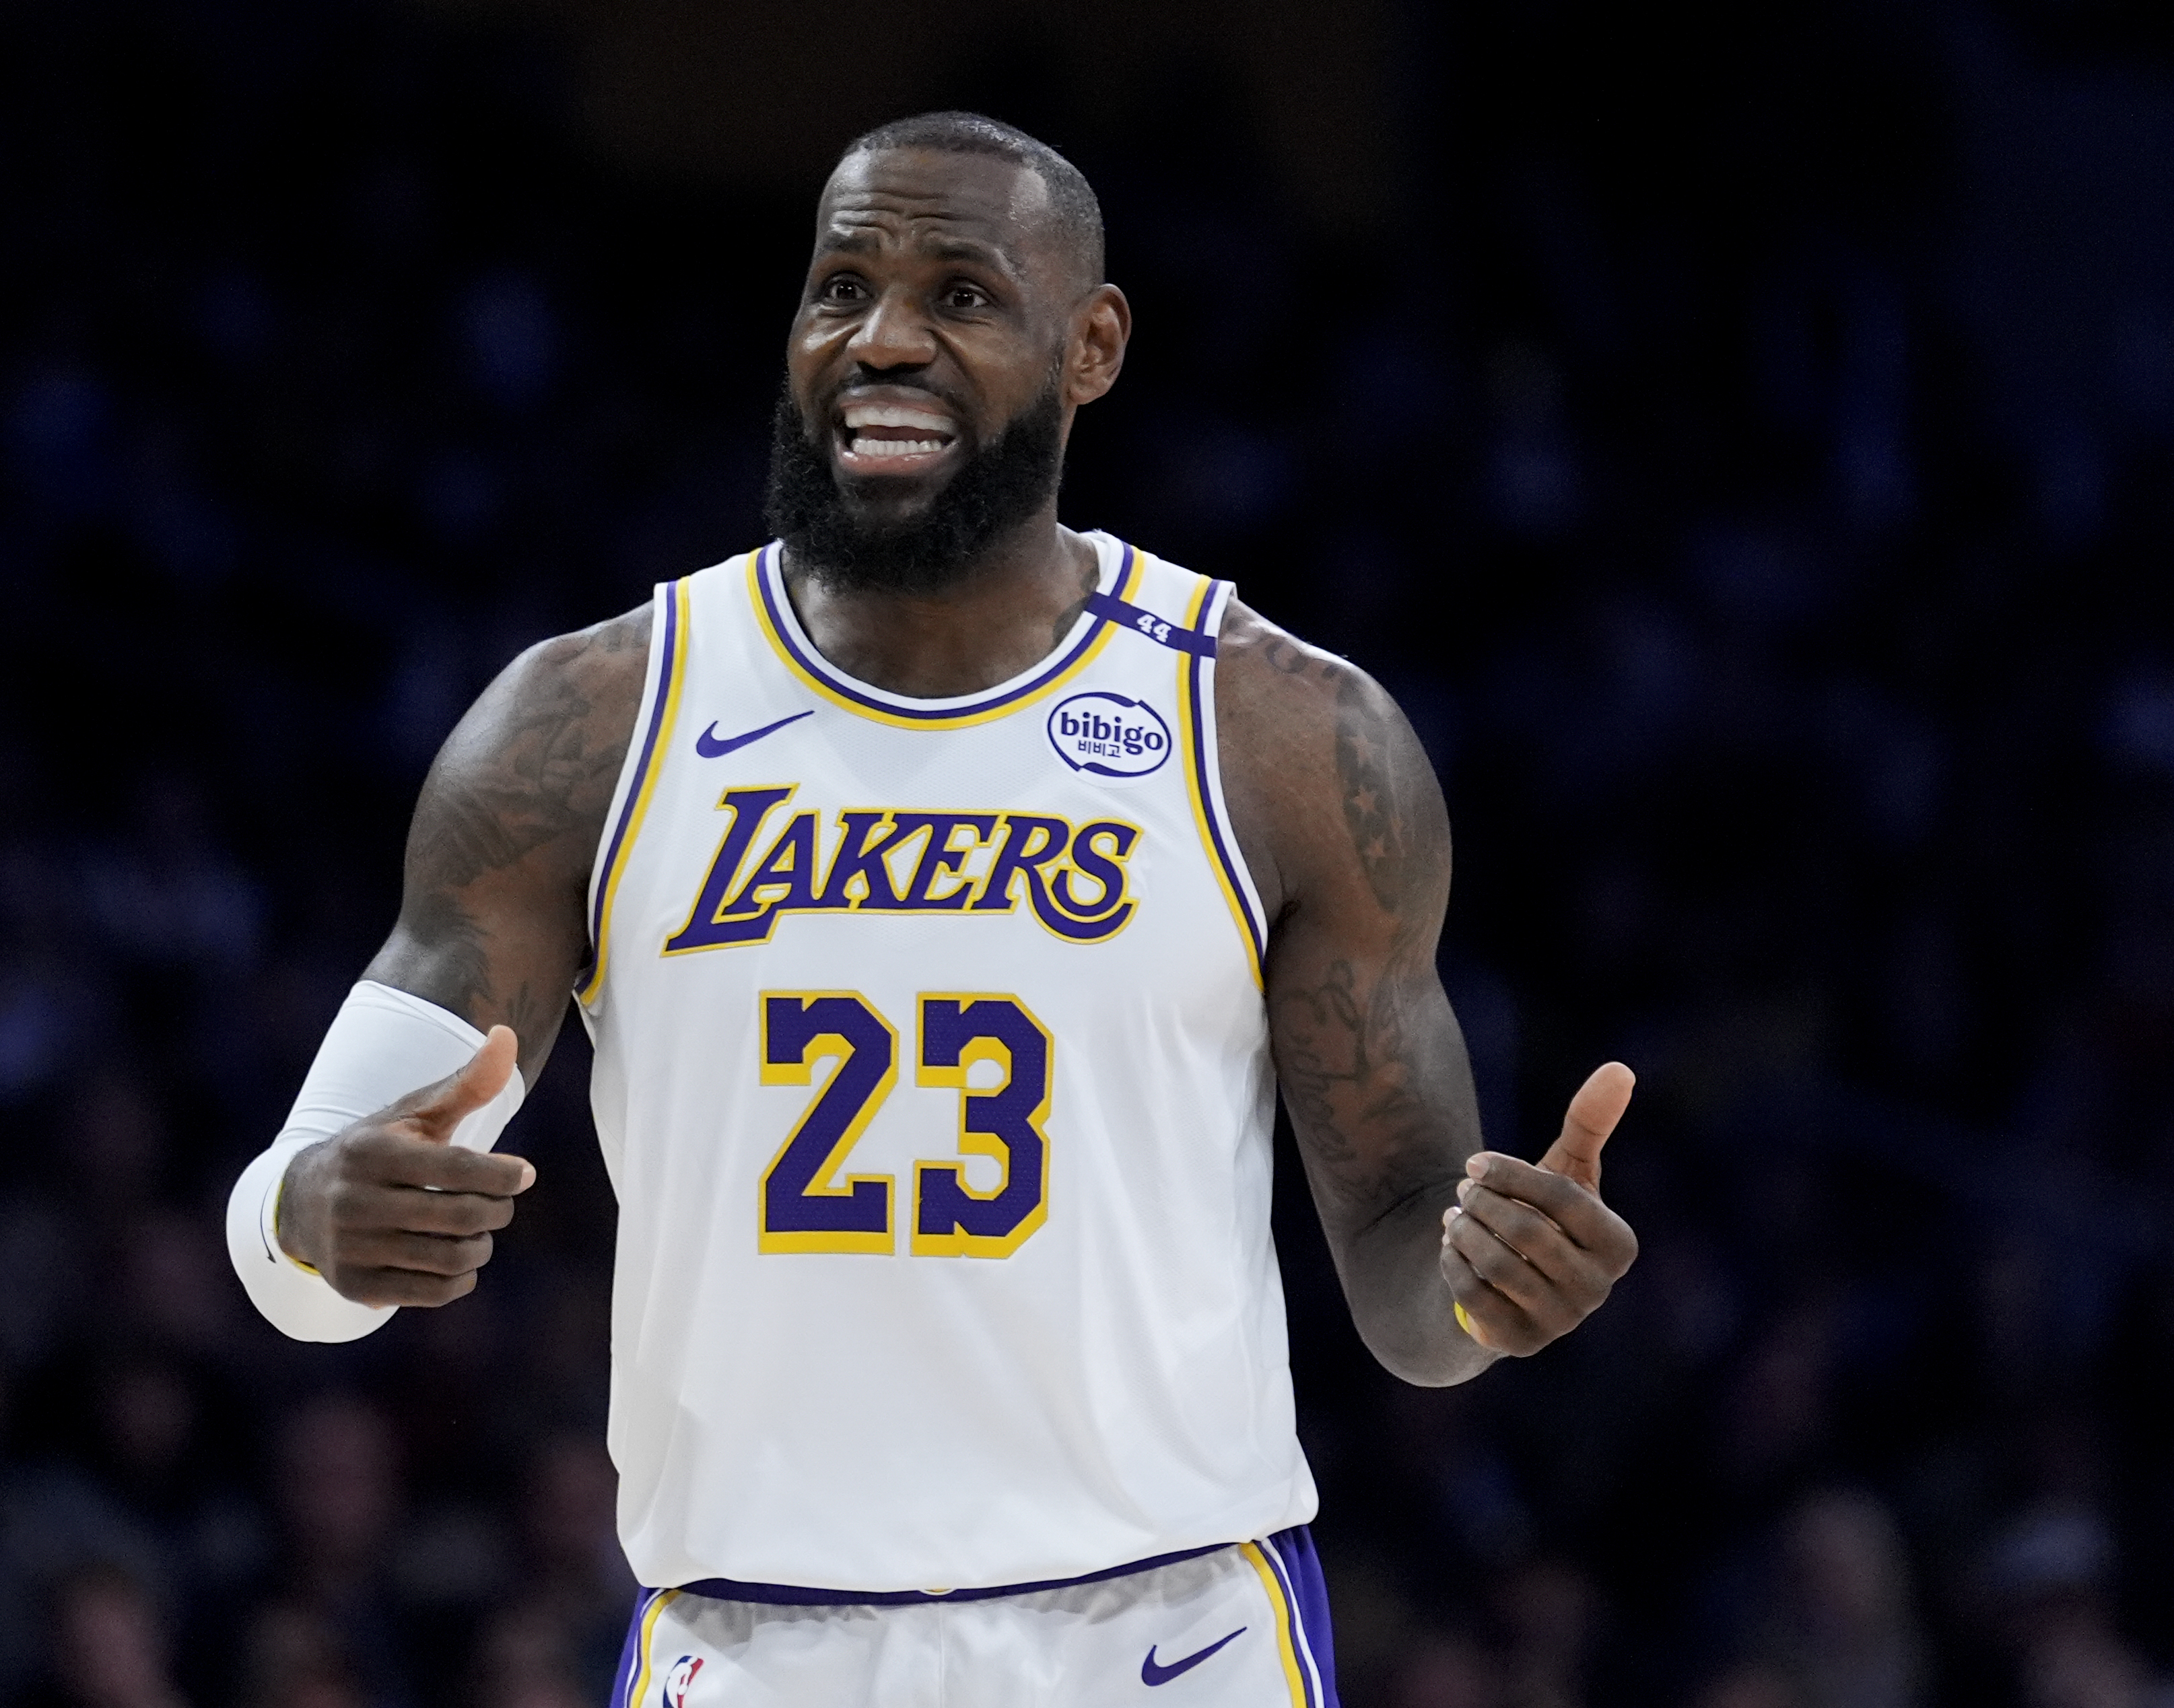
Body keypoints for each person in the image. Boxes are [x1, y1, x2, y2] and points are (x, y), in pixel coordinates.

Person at [225, 110, 1639, 1707]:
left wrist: (1485, 1287)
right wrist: (308, 1221)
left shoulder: (1282, 737)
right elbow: (296, 1234)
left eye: (961, 295)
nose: (882, 339)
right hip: (752, 1635)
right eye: (841, 287)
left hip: (1165, 1634)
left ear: (1089, 343)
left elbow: (1403, 1270)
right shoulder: (587, 727)